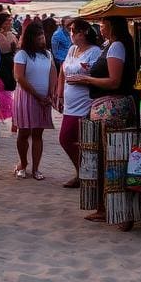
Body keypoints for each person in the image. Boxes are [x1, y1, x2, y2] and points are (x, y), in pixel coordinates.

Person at [65, 15, 137, 225]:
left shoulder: (116, 47)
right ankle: (109, 207)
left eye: (103, 25)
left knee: (107, 157)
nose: (100, 28)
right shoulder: (116, 46)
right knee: (110, 157)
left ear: (112, 26)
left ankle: (108, 208)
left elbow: (114, 81)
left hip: (111, 107)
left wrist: (87, 79)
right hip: (113, 105)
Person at [56, 18, 103, 188]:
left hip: (85, 100)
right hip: (70, 100)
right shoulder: (72, 50)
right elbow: (63, 69)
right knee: (68, 138)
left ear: (82, 33)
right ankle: (82, 171)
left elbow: (98, 75)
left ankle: (86, 172)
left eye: (73, 31)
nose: (71, 34)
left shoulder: (95, 52)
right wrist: (59, 93)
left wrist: (84, 79)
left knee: (71, 137)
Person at [12, 22, 56, 180]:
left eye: (42, 36)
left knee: (38, 133)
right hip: (26, 97)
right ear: (31, 38)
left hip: (44, 98)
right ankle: (23, 164)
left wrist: (51, 93)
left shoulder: (47, 54)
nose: (42, 39)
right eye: (38, 37)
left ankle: (36, 168)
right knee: (23, 132)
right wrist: (37, 95)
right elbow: (19, 77)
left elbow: (52, 73)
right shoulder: (22, 55)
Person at [0, 12, 18, 122]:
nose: (10, 23)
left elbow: (16, 47)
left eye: (10, 21)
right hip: (2, 64)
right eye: (7, 21)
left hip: (10, 62)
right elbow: (4, 49)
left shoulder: (11, 34)